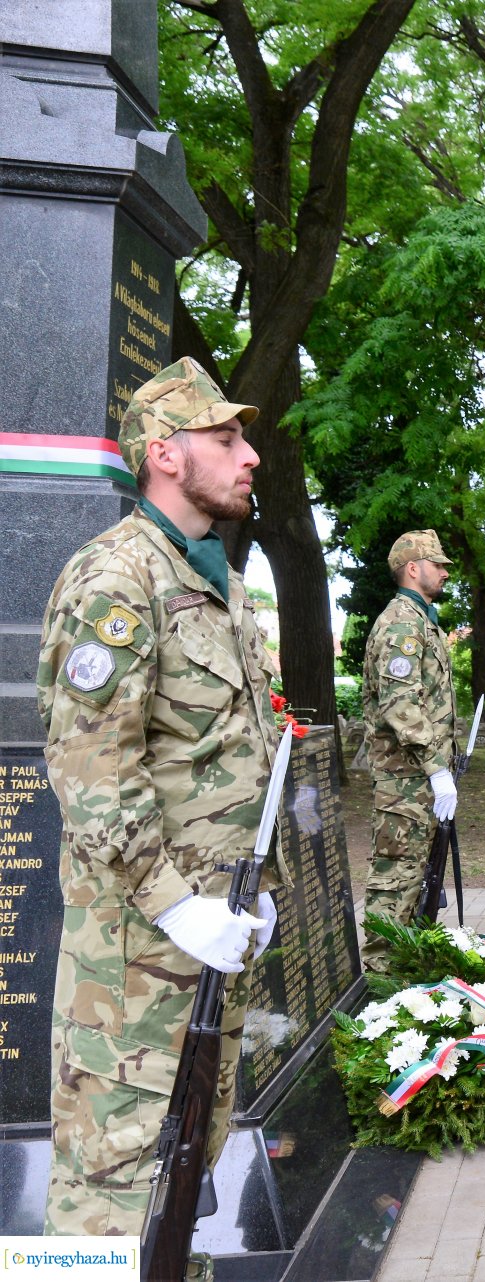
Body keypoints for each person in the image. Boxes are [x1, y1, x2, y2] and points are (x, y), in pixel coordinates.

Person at [38, 358, 276, 1243]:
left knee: (182, 1181)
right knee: (109, 1200)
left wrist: (248, 890)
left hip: (210, 947)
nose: (249, 455)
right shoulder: (117, 579)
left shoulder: (218, 583)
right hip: (137, 965)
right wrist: (180, 909)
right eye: (227, 438)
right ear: (166, 454)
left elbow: (223, 757)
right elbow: (96, 776)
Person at [360, 529, 458, 973]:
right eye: (437, 564)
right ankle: (380, 983)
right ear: (413, 568)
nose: (444, 572)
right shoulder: (403, 622)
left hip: (417, 780)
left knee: (418, 881)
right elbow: (401, 705)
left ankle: (404, 978)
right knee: (396, 879)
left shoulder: (421, 619)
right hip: (406, 781)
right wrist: (437, 769)